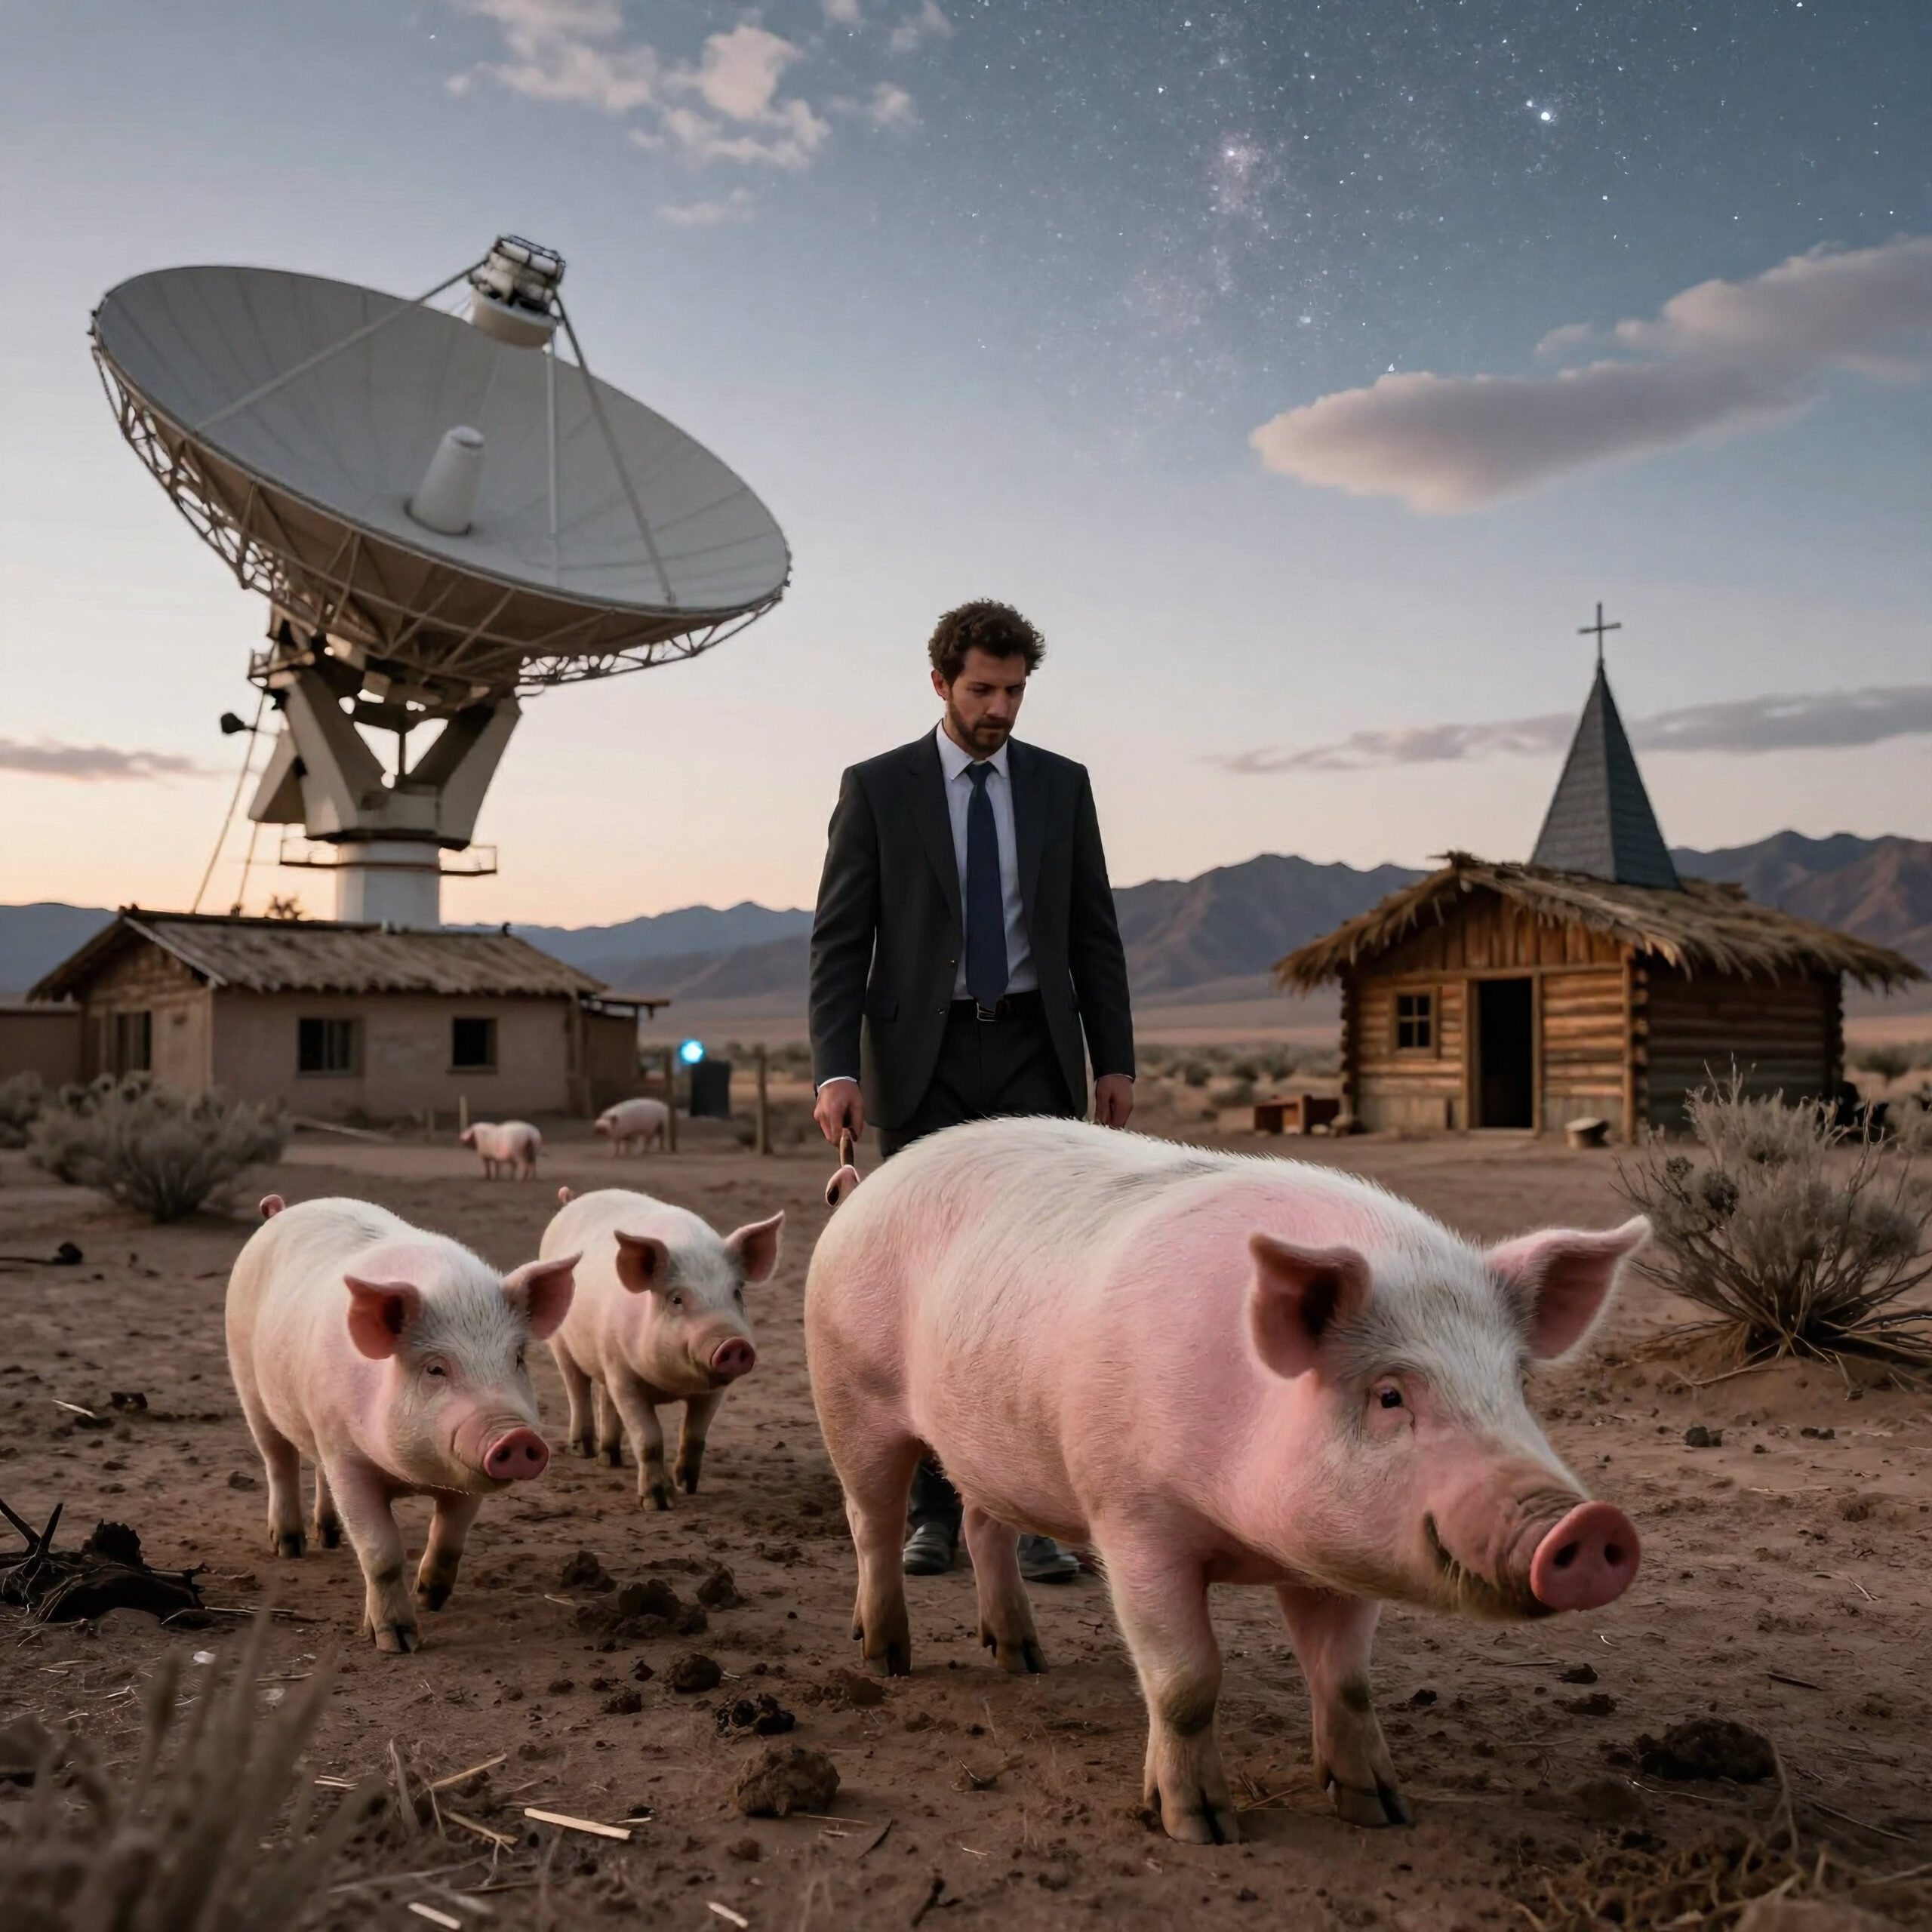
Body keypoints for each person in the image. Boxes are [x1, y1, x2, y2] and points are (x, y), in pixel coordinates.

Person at [809, 598, 1136, 1580]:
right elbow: (840, 940)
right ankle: (935, 1513)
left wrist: (1111, 1057)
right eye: (984, 689)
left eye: (1016, 691)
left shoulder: (1060, 787)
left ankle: (1035, 1514)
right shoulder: (878, 789)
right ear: (942, 681)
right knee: (928, 1287)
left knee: (1039, 1285)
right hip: (925, 1058)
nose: (1001, 708)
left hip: (1035, 1049)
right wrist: (837, 1064)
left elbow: (1093, 933)